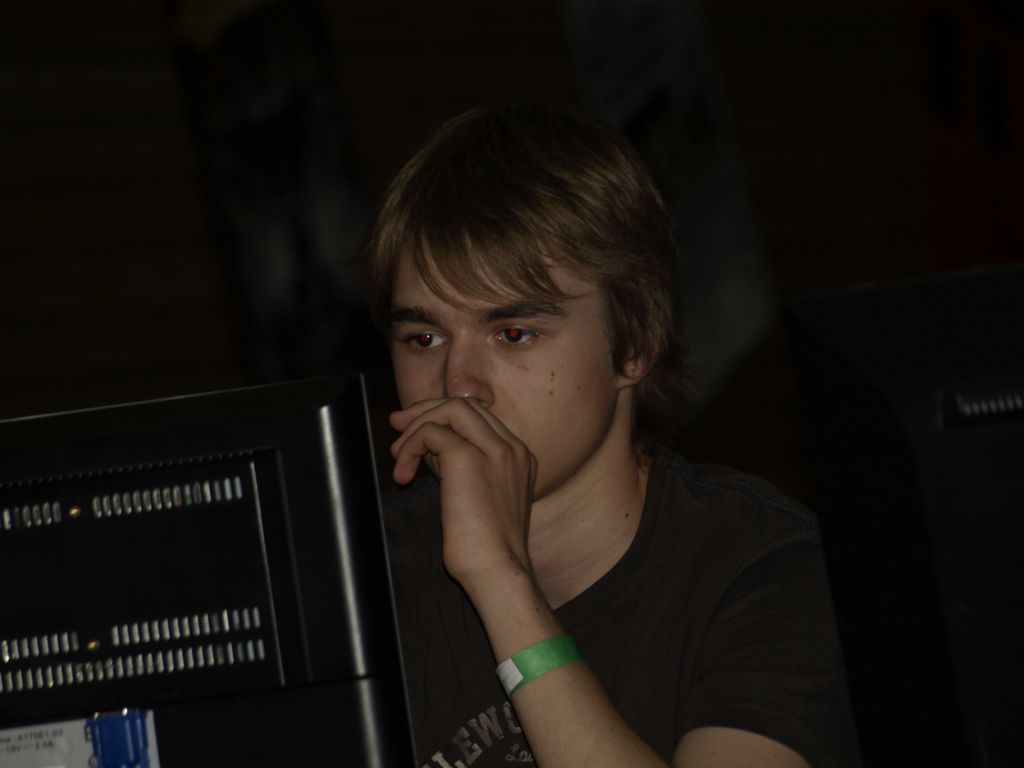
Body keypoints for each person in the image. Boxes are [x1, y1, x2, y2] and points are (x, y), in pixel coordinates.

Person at [362, 103, 859, 768]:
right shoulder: (358, 577)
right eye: (423, 338)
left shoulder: (764, 570)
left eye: (514, 333)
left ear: (635, 345)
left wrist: (500, 579)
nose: (458, 386)